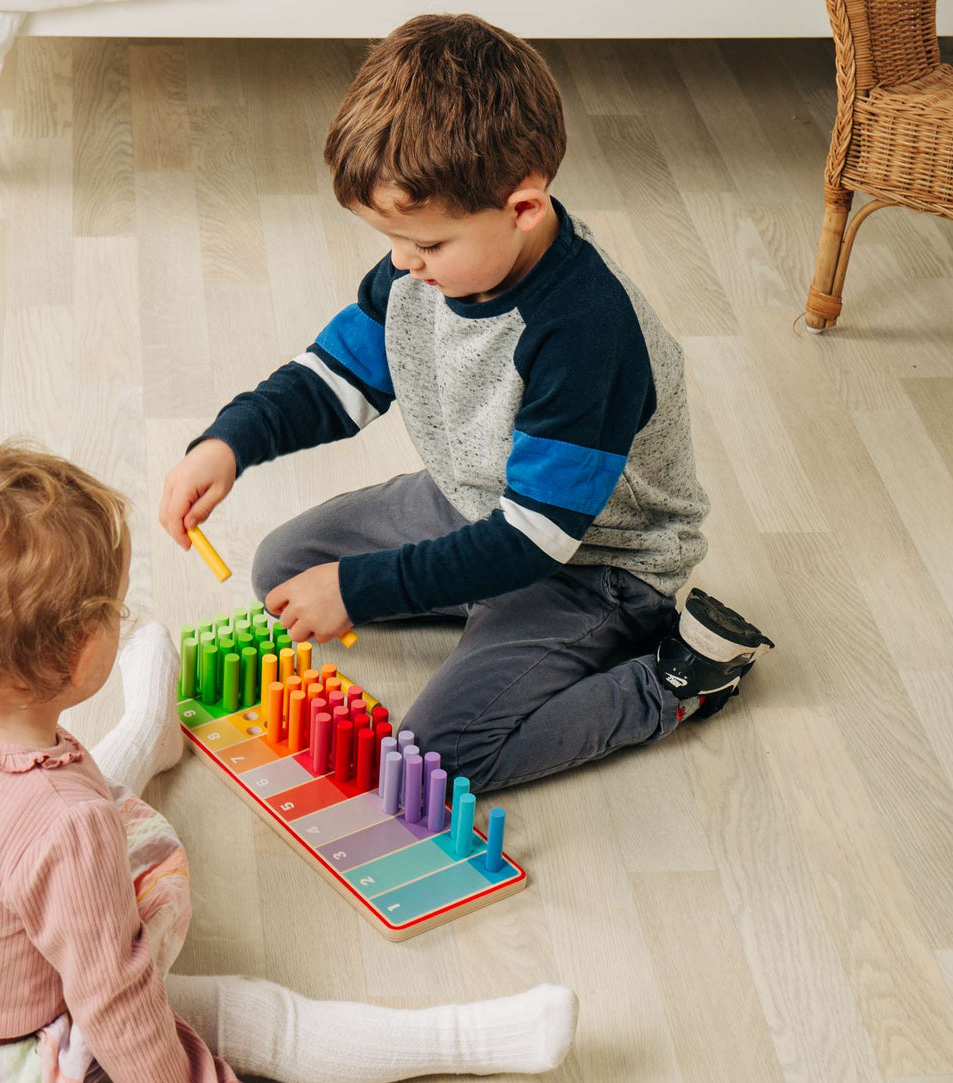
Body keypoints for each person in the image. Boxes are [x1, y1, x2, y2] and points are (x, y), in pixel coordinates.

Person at [0, 443, 578, 1083]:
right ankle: (465, 1039)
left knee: (59, 814)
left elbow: (14, 827)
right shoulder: (65, 826)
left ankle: (150, 730)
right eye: (113, 610)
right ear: (79, 653)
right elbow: (113, 1001)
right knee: (252, 1017)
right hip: (7, 1056)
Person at [159, 14, 774, 794]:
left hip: (592, 565)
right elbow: (333, 378)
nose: (403, 264)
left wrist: (361, 588)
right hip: (473, 502)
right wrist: (230, 442)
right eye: (392, 239)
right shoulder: (419, 271)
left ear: (523, 209)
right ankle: (483, 603)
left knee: (435, 761)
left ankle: (675, 684)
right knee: (282, 569)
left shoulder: (586, 331)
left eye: (427, 244)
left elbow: (536, 538)